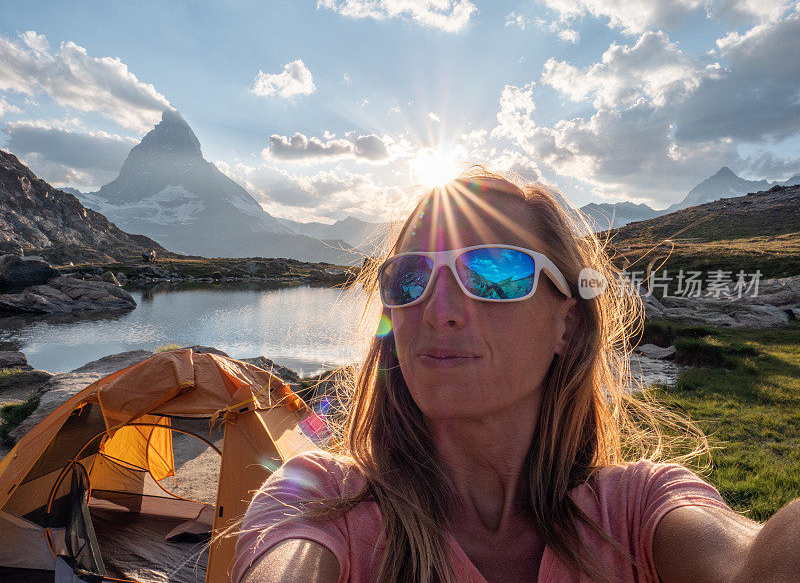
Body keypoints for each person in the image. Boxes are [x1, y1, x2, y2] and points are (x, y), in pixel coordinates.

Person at [233, 167, 799, 583]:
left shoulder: (637, 511)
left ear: (569, 326)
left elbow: (752, 564)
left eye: (495, 272)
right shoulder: (320, 497)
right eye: (410, 278)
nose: (437, 311)